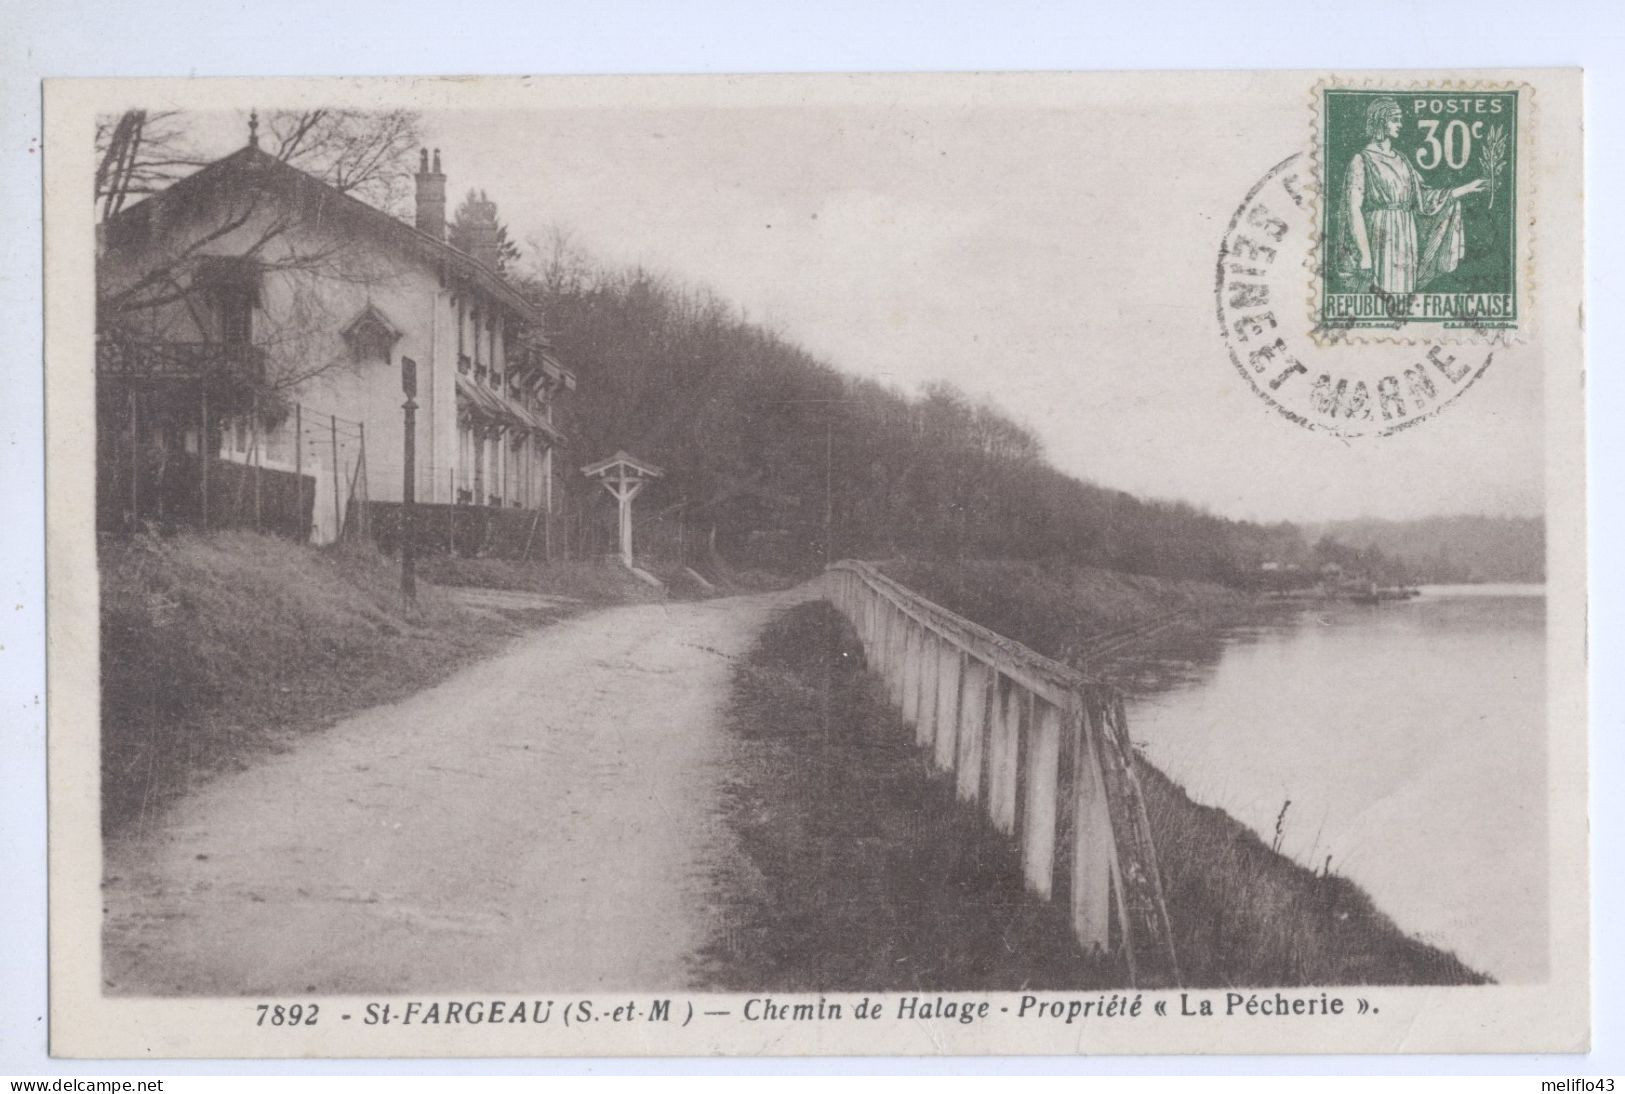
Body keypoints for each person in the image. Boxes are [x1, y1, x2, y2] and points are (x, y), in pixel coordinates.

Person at [1335, 97, 1487, 295]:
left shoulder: (1402, 160)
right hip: (1379, 237)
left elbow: (1425, 199)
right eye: (1395, 120)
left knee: (1403, 295)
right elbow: (1352, 209)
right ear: (1381, 121)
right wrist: (1365, 255)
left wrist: (1466, 188)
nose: (1400, 125)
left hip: (1406, 236)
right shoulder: (1361, 159)